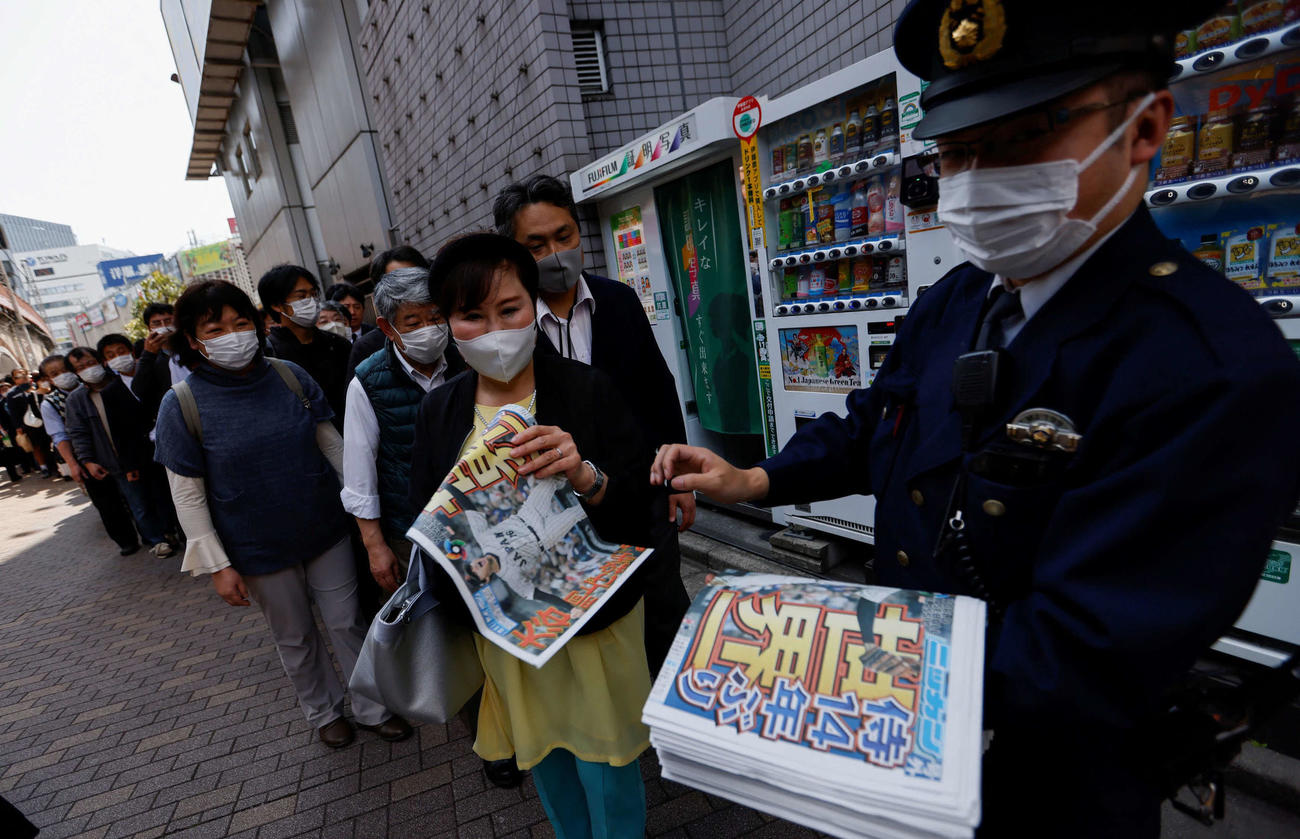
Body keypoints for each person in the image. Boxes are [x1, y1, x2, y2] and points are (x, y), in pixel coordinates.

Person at [650, 3, 1300, 836]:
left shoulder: (1212, 369)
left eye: (1022, 137)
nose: (977, 180)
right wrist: (758, 476)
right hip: (897, 755)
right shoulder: (957, 298)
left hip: (1048, 787)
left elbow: (1088, 652)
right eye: (956, 154)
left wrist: (823, 666)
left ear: (1146, 128)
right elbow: (875, 422)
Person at [409, 233, 658, 837]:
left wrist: (585, 474)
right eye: (472, 315)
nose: (494, 330)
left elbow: (638, 503)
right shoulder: (440, 410)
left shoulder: (586, 389)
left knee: (609, 762)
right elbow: (425, 520)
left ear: (533, 305)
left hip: (594, 623)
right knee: (546, 756)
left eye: (509, 309)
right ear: (448, 322)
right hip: (510, 635)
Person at [153, 279, 412, 748]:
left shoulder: (290, 375)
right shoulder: (182, 403)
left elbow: (334, 448)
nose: (233, 334)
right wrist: (218, 566)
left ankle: (373, 706)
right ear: (193, 340)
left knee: (347, 620)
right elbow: (186, 494)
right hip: (256, 548)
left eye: (240, 322)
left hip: (324, 529)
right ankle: (324, 712)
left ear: (256, 323)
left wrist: (366, 518)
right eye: (216, 329)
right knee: (294, 637)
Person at [494, 173, 692, 675]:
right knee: (591, 620)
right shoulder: (508, 327)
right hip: (559, 504)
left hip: (641, 484)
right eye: (536, 244)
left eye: (564, 236)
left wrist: (679, 478)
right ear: (512, 251)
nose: (556, 252)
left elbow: (657, 388)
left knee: (665, 605)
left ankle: (675, 718)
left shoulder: (618, 300)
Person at [341, 266, 465, 599]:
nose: (429, 329)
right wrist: (375, 546)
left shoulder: (466, 360)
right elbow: (359, 475)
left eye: (436, 317)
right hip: (411, 532)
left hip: (474, 521)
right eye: (414, 322)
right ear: (388, 328)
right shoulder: (368, 383)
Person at [64, 347, 175, 558]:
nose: (88, 369)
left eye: (90, 363)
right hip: (115, 461)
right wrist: (86, 460)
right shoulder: (77, 400)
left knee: (161, 495)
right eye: (80, 368)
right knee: (138, 503)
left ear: (101, 361)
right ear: (75, 373)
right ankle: (156, 540)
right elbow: (78, 433)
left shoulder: (123, 383)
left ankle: (170, 531)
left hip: (146, 451)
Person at [36, 354, 141, 554]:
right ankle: (125, 540)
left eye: (64, 370)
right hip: (86, 456)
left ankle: (149, 533)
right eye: (54, 374)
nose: (62, 376)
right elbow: (60, 436)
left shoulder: (97, 386)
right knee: (107, 502)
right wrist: (73, 464)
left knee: (135, 495)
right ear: (48, 379)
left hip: (115, 448)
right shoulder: (50, 403)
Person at [258, 265, 352, 427]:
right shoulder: (267, 354)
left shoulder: (338, 344)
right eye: (301, 296)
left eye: (314, 294)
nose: (311, 301)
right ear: (276, 305)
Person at [348, 245, 430, 379]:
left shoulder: (456, 334)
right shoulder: (367, 350)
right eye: (397, 282)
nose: (411, 289)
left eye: (416, 278)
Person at [132, 302, 191, 423]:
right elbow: (139, 389)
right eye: (157, 323)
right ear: (149, 328)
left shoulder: (192, 346)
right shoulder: (150, 358)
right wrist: (148, 354)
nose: (164, 326)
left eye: (168, 321)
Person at [4, 368, 55, 478]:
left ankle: (56, 465)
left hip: (44, 419)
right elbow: (13, 412)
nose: (22, 378)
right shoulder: (12, 394)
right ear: (14, 379)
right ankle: (43, 467)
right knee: (36, 446)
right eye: (18, 377)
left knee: (50, 442)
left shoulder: (37, 386)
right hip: (28, 424)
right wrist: (18, 427)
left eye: (24, 375)